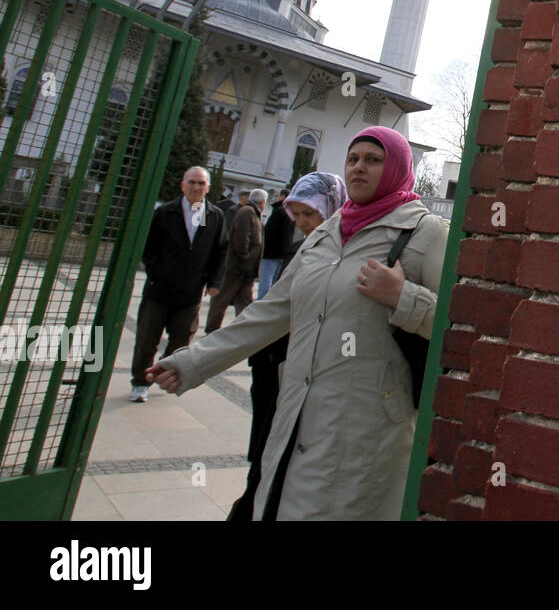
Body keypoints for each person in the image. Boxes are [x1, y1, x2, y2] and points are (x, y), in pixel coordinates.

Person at [149, 127, 449, 520]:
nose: (359, 168)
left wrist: (402, 298)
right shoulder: (327, 232)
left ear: (396, 168)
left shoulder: (424, 233)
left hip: (366, 425)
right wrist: (192, 362)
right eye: (353, 159)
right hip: (298, 413)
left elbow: (456, 327)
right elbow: (269, 312)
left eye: (373, 160)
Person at [229, 172, 346, 521]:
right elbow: (273, 313)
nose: (301, 223)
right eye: (296, 215)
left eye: (309, 214)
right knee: (265, 470)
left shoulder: (336, 257)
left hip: (310, 383)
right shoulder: (303, 251)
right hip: (277, 376)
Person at [130, 166, 227, 403]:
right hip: (159, 290)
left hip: (190, 292)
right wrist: (156, 272)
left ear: (208, 188)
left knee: (182, 339)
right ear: (182, 185)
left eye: (201, 184)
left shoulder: (214, 215)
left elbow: (220, 250)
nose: (196, 188)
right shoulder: (165, 213)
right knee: (146, 338)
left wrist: (214, 281)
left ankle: (162, 374)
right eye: (192, 182)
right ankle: (140, 382)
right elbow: (148, 247)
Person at [206, 188, 266, 332]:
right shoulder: (247, 213)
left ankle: (244, 330)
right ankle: (212, 329)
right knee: (222, 298)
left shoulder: (252, 213)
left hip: (246, 269)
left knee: (244, 300)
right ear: (263, 202)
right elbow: (241, 238)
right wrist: (245, 257)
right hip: (237, 267)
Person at [258, 188, 293, 300]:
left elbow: (269, 232)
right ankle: (269, 301)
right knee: (274, 280)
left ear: (282, 196)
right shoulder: (291, 212)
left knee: (266, 278)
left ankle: (262, 301)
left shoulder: (279, 211)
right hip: (283, 252)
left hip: (271, 251)